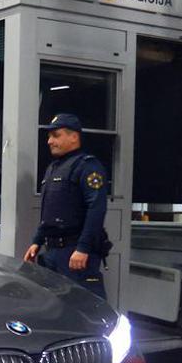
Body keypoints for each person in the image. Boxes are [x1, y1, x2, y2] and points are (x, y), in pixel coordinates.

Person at [22, 113, 109, 300]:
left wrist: (83, 248)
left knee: (82, 308)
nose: (49, 141)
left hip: (74, 252)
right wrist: (37, 241)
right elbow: (51, 210)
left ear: (74, 137)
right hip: (52, 251)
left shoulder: (87, 166)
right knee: (53, 307)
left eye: (56, 135)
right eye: (49, 136)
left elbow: (96, 208)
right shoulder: (54, 168)